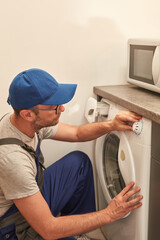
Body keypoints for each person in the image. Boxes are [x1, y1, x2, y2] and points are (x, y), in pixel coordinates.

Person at [0, 68, 143, 240]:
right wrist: (109, 214)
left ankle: (79, 233)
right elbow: (49, 229)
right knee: (54, 231)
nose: (62, 108)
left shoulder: (21, 122)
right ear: (28, 114)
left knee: (78, 163)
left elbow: (77, 133)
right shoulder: (12, 160)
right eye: (55, 106)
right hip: (13, 229)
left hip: (27, 201)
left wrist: (111, 124)